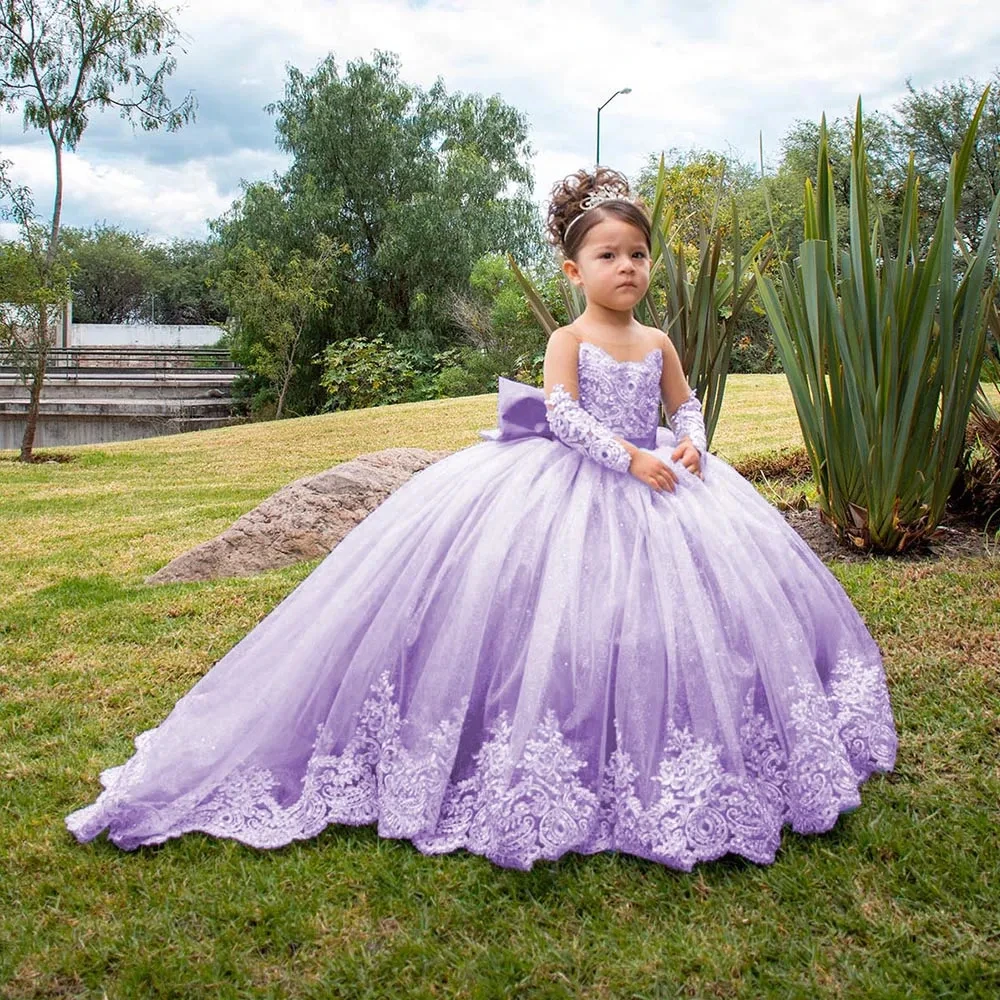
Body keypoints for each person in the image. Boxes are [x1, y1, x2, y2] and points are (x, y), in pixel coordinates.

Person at [66, 167, 898, 872]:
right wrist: (629, 456)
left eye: (638, 254)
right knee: (536, 612)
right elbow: (564, 417)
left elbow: (688, 409)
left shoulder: (660, 341)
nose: (628, 268)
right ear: (574, 270)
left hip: (666, 488)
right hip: (573, 481)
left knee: (674, 619)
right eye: (608, 255)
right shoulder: (569, 339)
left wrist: (688, 446)